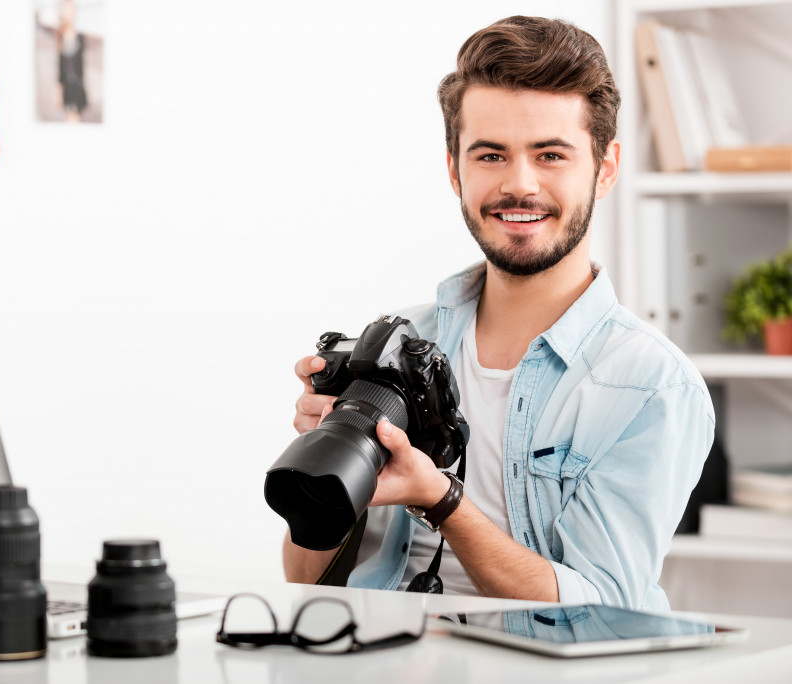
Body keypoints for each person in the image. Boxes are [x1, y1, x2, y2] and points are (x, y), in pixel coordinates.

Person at [284, 16, 713, 612]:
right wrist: (329, 468)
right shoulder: (396, 348)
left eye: (551, 155)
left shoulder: (651, 385)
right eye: (490, 155)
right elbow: (305, 578)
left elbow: (601, 609)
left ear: (605, 169)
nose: (519, 184)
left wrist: (439, 499)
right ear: (455, 169)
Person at [57, 0, 87, 123]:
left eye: (71, 11)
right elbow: (60, 67)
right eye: (66, 11)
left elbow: (81, 67)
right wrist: (58, 91)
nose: (69, 14)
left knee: (77, 119)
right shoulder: (60, 36)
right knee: (69, 119)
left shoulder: (80, 37)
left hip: (77, 87)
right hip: (67, 88)